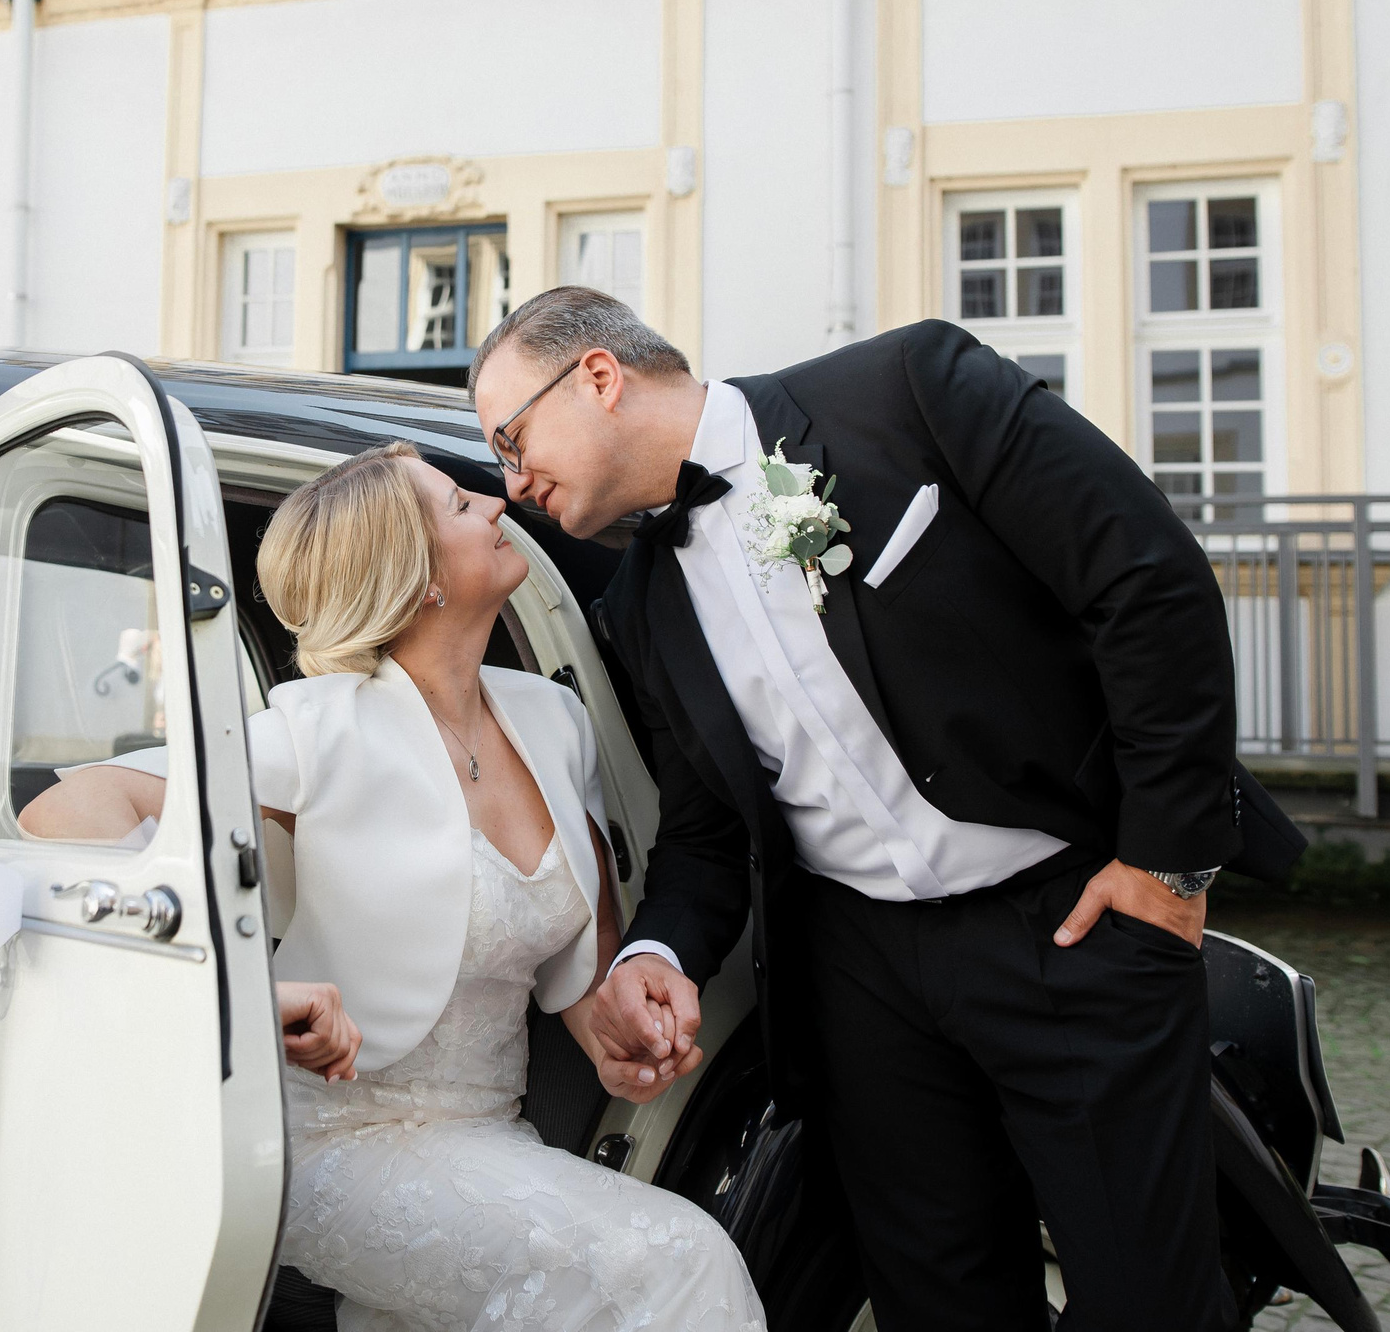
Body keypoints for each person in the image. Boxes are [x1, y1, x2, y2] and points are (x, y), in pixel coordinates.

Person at [466, 289, 1309, 1332]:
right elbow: (704, 833)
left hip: (1068, 923)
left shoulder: (909, 392)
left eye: (511, 438)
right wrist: (657, 957)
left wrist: (1167, 867)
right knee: (937, 1300)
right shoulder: (637, 606)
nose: (512, 481)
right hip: (861, 981)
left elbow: (1147, 582)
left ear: (597, 375)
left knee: (1150, 1300)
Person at [19, 442, 763, 1332]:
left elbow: (589, 985)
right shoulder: (314, 730)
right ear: (417, 580)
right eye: (459, 504)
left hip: (491, 1141)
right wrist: (234, 985)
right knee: (675, 1261)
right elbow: (67, 812)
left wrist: (629, 1040)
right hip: (337, 1147)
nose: (494, 507)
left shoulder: (552, 721)